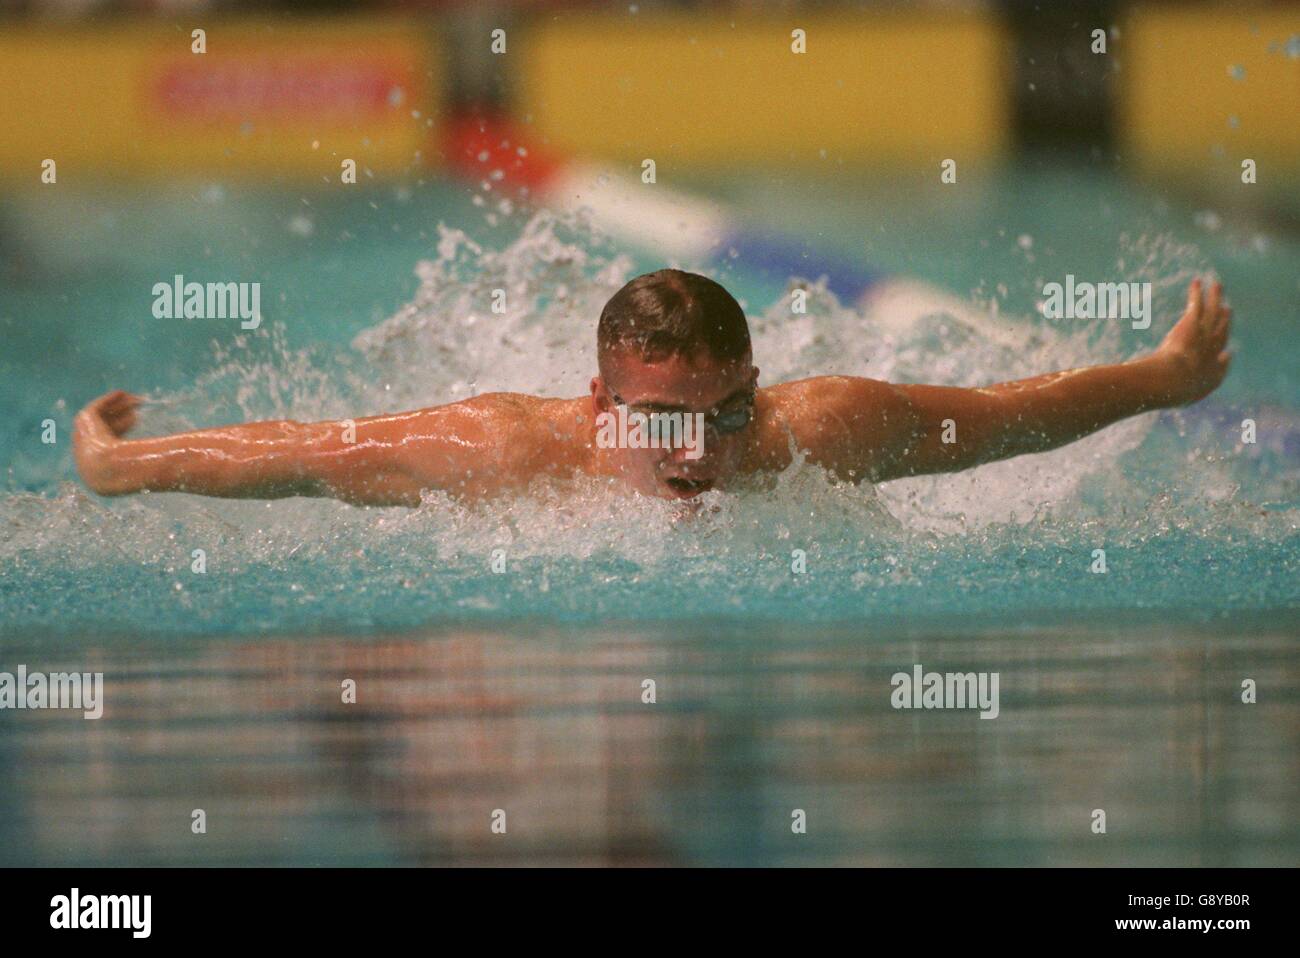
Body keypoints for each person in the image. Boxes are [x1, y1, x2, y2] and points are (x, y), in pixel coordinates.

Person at [73, 269, 1232, 507]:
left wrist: (1163, 377)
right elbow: (301, 447)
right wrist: (118, 463)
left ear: (755, 392)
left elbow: (1010, 420)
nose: (693, 457)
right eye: (659, 423)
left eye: (722, 417)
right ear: (597, 404)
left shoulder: (818, 431)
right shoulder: (508, 450)